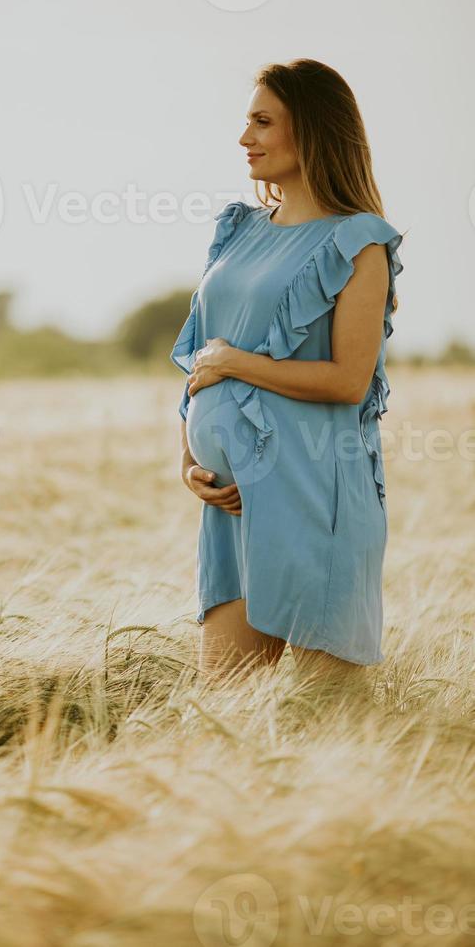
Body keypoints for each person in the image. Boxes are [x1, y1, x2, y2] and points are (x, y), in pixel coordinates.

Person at [170, 58, 405, 685]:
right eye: (247, 121)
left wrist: (233, 361)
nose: (245, 138)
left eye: (262, 121)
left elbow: (348, 380)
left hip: (313, 494)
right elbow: (198, 367)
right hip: (233, 506)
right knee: (222, 708)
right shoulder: (237, 231)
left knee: (327, 723)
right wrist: (190, 463)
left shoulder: (358, 241)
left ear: (313, 130)